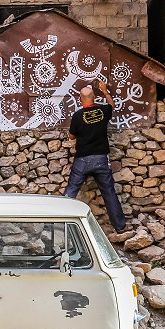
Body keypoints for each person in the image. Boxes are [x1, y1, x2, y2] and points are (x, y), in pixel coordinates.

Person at [63, 82, 127, 233]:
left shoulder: (78, 115)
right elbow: (112, 104)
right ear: (94, 97)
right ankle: (120, 227)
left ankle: (63, 222)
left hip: (82, 159)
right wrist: (105, 91)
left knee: (71, 191)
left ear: (80, 99)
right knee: (109, 192)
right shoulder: (103, 110)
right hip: (101, 159)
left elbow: (71, 136)